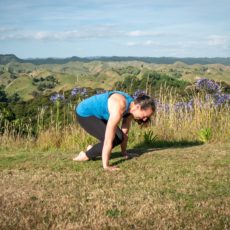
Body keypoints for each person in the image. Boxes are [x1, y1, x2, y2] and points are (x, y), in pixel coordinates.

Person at [73, 90, 156, 171]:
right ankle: (84, 155)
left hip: (100, 115)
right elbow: (108, 140)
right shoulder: (119, 106)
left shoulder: (131, 108)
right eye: (145, 116)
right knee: (112, 140)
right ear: (138, 107)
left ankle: (92, 149)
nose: (145, 119)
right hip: (85, 113)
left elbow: (124, 134)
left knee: (119, 138)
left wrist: (124, 153)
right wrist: (106, 165)